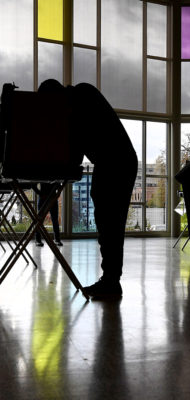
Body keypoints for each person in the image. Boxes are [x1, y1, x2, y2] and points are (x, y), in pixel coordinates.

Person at [38, 79, 138, 299]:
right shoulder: (82, 94)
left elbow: (74, 149)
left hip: (115, 162)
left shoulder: (77, 101)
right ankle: (111, 280)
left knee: (109, 221)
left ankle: (111, 281)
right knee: (110, 221)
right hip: (116, 160)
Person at [34, 183, 63, 247]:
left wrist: (39, 193)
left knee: (40, 220)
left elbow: (33, 185)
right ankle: (57, 239)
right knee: (54, 219)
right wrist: (57, 194)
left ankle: (38, 239)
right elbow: (59, 186)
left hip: (45, 197)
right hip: (52, 197)